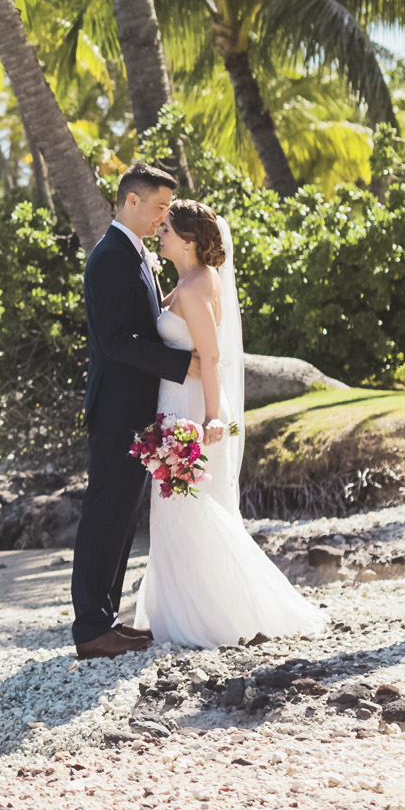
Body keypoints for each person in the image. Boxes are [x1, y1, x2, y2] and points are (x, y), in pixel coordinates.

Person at [129, 201, 326, 647]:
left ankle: (213, 618)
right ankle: (183, 614)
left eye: (167, 229)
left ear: (189, 240)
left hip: (192, 409)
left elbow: (212, 356)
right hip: (174, 401)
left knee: (189, 506)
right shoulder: (187, 281)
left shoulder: (198, 285)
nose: (160, 233)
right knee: (177, 508)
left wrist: (212, 417)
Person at [73, 162, 199, 660]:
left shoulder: (135, 254)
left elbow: (140, 325)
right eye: (160, 207)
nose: (163, 219)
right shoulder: (110, 257)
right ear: (132, 200)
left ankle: (106, 620)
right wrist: (181, 364)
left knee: (123, 519)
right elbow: (116, 340)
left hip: (136, 411)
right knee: (104, 516)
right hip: (115, 411)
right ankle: (91, 629)